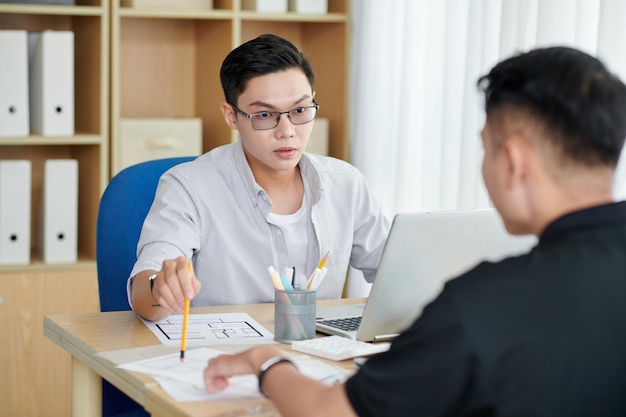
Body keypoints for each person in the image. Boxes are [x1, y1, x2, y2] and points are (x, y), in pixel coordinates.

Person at [203, 46, 626, 416]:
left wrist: (265, 361)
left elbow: (331, 413)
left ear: (513, 161)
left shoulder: (482, 305)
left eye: (484, 146)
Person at [127, 34, 390, 321]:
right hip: (224, 356)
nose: (287, 131)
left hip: (318, 355)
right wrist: (161, 288)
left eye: (300, 110)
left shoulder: (345, 183)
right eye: (265, 114)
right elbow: (145, 290)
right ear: (231, 116)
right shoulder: (188, 187)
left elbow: (397, 273)